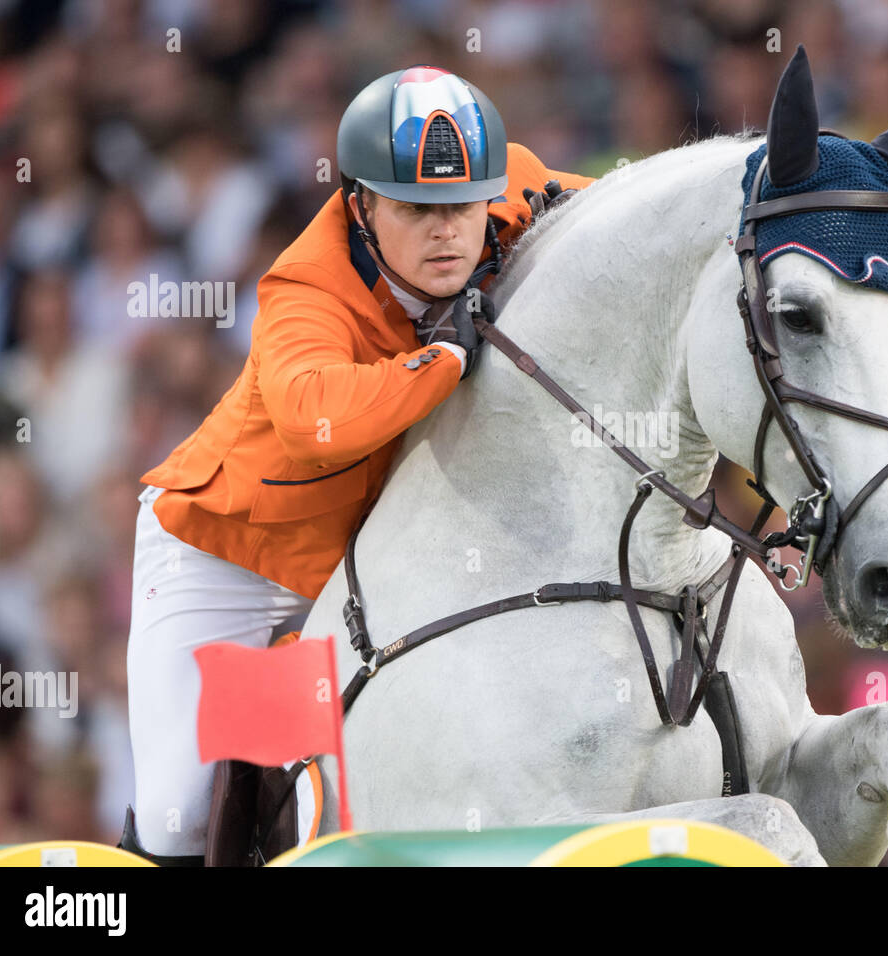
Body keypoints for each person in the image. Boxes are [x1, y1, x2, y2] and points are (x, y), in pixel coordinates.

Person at [120, 65, 594, 863]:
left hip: (365, 558)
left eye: (463, 207)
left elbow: (640, 208)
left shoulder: (509, 180)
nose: (448, 232)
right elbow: (316, 420)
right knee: (181, 814)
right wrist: (442, 357)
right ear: (361, 205)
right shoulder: (306, 288)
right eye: (417, 211)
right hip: (222, 556)